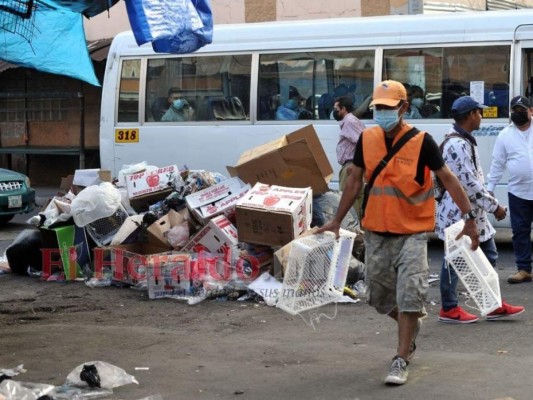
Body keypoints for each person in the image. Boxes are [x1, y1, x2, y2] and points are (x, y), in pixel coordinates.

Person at [317, 80, 480, 386]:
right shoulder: (367, 139)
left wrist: (469, 218)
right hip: (377, 232)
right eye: (378, 107)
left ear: (404, 108)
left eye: (389, 108)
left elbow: (449, 179)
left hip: (412, 234)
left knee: (410, 294)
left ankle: (401, 356)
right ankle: (411, 320)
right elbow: (354, 180)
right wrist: (336, 220)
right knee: (378, 298)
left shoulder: (423, 142)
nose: (382, 113)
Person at [436, 96, 525, 323]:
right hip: (460, 214)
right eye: (478, 112)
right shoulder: (456, 144)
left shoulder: (464, 140)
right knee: (454, 260)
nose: (481, 116)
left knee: (489, 255)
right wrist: (495, 207)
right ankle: (449, 308)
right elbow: (469, 185)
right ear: (469, 116)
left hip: (473, 214)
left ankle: (492, 303)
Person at [487, 95, 533, 284]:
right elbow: (498, 164)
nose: (518, 114)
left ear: (531, 111)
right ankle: (524, 269)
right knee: (520, 231)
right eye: (514, 110)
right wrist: (489, 189)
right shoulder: (505, 135)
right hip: (518, 192)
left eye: (522, 110)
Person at [333, 96, 366, 221]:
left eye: (336, 109)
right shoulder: (351, 121)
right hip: (352, 165)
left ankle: (353, 231)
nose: (334, 112)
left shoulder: (349, 122)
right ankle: (357, 231)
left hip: (350, 167)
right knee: (355, 200)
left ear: (343, 109)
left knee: (347, 201)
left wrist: (355, 163)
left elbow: (362, 143)